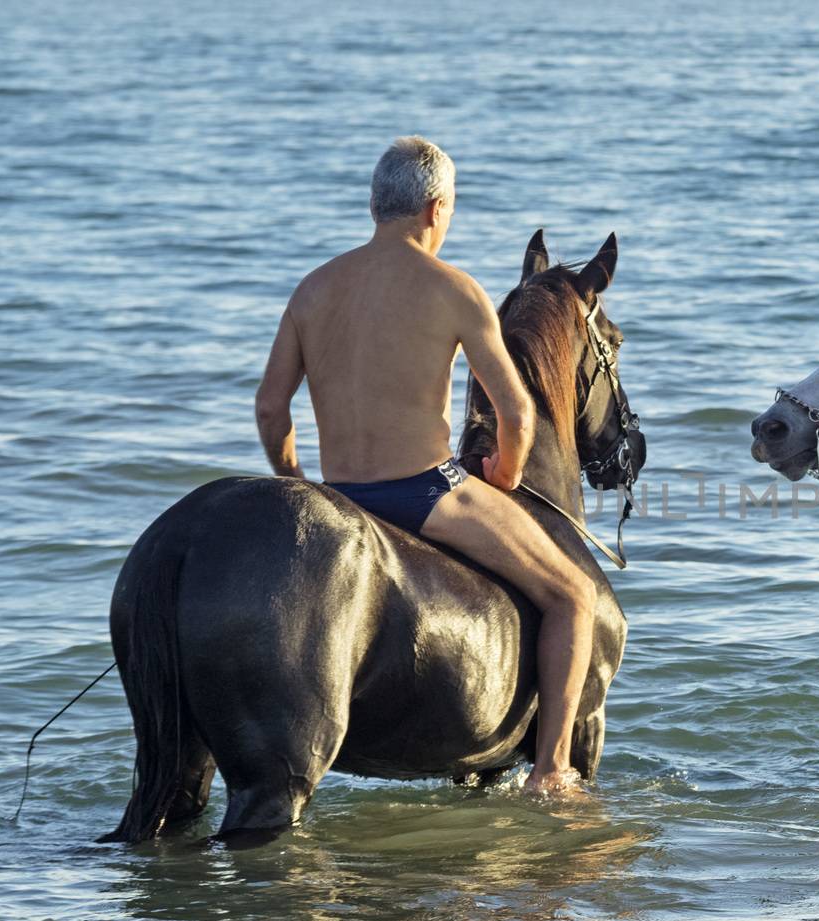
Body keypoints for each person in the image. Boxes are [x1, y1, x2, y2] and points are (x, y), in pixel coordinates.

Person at [253, 135, 597, 796]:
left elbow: (271, 409)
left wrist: (297, 483)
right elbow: (518, 415)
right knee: (575, 596)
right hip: (424, 492)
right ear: (436, 209)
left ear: (376, 204)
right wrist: (501, 472)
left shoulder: (314, 288)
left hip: (341, 498)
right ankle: (552, 772)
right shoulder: (455, 289)